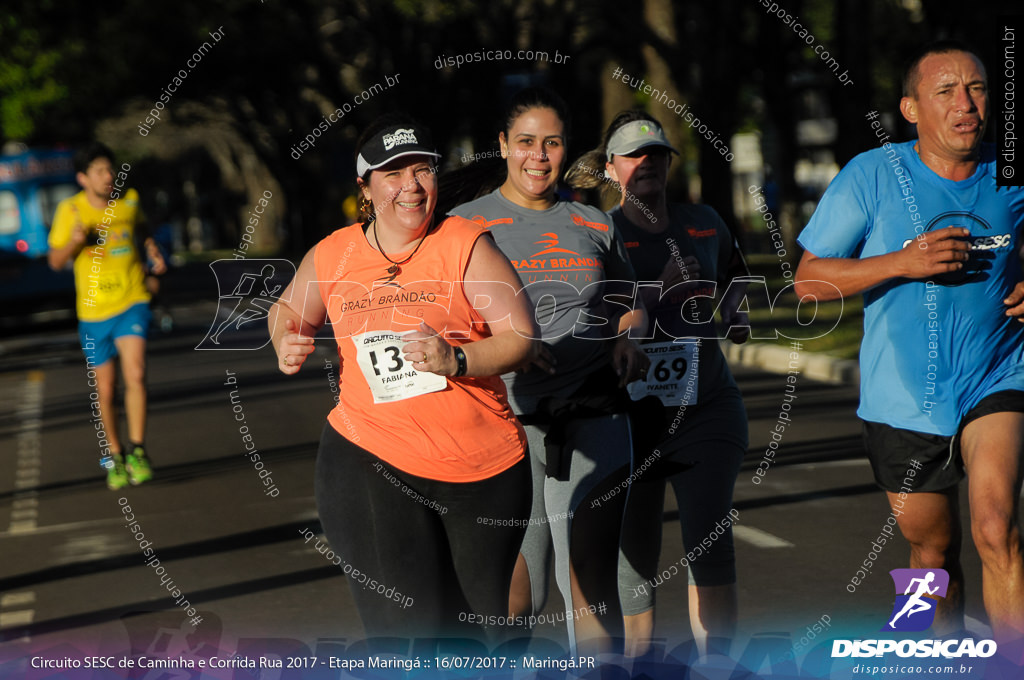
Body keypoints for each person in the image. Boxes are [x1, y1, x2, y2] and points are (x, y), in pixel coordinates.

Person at [268, 114, 539, 642]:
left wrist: (455, 360)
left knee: (482, 634)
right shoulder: (334, 253)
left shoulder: (465, 243)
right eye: (393, 173)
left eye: (422, 170)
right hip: (368, 456)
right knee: (408, 633)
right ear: (365, 187)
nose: (411, 186)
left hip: (481, 469)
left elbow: (521, 337)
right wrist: (287, 337)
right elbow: (285, 311)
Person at [795, 41, 1024, 661]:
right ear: (911, 109)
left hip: (998, 374)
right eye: (946, 91)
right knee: (930, 554)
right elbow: (808, 280)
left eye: (977, 88)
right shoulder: (873, 175)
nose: (966, 104)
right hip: (903, 398)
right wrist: (902, 261)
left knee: (995, 527)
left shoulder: (1011, 169)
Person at [448, 88, 649, 655]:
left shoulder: (592, 222)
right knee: (518, 597)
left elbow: (628, 299)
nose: (539, 156)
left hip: (596, 410)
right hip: (504, 422)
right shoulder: (463, 225)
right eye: (527, 142)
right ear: (504, 147)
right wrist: (509, 344)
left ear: (566, 151)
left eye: (552, 143)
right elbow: (443, 312)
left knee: (590, 585)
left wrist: (630, 338)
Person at [568, 112, 751, 659]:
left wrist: (734, 314)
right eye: (632, 157)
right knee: (634, 559)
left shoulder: (705, 221)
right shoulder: (594, 232)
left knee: (709, 541)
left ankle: (716, 667)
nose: (646, 165)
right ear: (610, 169)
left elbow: (735, 275)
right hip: (627, 418)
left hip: (706, 407)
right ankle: (637, 668)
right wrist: (655, 295)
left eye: (656, 155)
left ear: (669, 163)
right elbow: (587, 325)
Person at [48, 142, 166, 490]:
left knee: (137, 371)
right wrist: (74, 243)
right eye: (99, 171)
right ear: (83, 178)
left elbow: (142, 231)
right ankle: (114, 457)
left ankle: (139, 450)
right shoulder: (70, 210)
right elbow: (55, 262)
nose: (108, 176)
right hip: (93, 310)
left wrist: (151, 248)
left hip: (132, 299)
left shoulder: (128, 202)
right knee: (105, 388)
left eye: (110, 169)